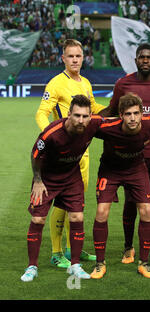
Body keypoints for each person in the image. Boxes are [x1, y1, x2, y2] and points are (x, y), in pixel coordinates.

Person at [100, 43, 150, 267]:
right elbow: (112, 112)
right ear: (135, 60)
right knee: (131, 202)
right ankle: (128, 247)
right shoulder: (123, 83)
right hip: (130, 156)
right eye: (142, 57)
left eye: (149, 57)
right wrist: (91, 121)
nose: (145, 60)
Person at [35, 39, 106, 268]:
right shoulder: (55, 84)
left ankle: (70, 247)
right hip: (61, 155)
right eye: (70, 56)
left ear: (83, 58)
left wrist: (115, 112)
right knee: (61, 204)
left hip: (82, 153)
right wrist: (52, 139)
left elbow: (94, 109)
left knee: (76, 204)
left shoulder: (85, 82)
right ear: (62, 58)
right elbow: (41, 113)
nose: (75, 60)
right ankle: (56, 253)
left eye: (78, 56)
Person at [21, 95, 104, 282]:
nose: (81, 120)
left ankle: (75, 264)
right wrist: (37, 180)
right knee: (38, 219)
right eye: (76, 116)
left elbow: (112, 119)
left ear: (91, 116)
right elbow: (35, 155)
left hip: (71, 176)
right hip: (47, 179)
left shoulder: (94, 124)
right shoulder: (52, 133)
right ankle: (31, 266)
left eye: (85, 116)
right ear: (68, 114)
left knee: (77, 217)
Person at [90, 93, 150, 279]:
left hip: (136, 169)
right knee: (101, 212)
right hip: (110, 170)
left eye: (136, 113)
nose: (132, 118)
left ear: (142, 113)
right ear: (120, 115)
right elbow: (81, 126)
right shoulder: (106, 127)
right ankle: (99, 264)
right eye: (128, 114)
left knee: (146, 210)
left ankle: (144, 263)